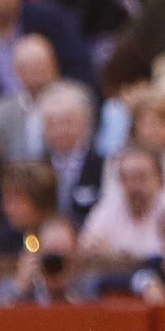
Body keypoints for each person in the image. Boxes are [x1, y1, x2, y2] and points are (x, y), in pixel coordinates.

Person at [78, 144, 165, 258]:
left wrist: (118, 254)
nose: (135, 186)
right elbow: (89, 244)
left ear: (159, 178)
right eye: (127, 178)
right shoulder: (109, 207)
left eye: (142, 177)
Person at [40, 79, 105, 227]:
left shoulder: (102, 165)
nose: (59, 130)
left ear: (86, 122)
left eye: (67, 122)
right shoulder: (38, 165)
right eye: (51, 124)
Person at [0, 34, 60, 159]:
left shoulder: (74, 102)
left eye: (39, 65)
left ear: (53, 66)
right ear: (16, 71)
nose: (34, 72)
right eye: (26, 66)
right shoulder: (0, 109)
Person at [0, 216, 80, 304]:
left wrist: (70, 294)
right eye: (49, 258)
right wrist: (20, 288)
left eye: (61, 258)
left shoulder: (85, 288)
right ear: (39, 254)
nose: (54, 265)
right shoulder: (11, 288)